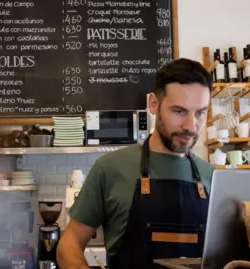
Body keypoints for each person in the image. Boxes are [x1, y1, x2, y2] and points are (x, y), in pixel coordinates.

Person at [57, 58, 215, 269]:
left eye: (200, 113)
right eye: (179, 111)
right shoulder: (109, 168)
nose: (191, 125)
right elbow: (69, 244)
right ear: (153, 104)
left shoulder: (213, 176)